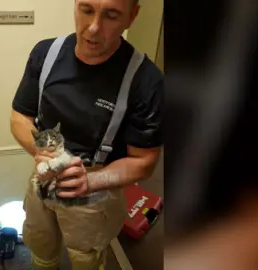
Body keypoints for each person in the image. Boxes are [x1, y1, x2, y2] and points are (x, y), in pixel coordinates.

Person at [10, 0, 163, 269]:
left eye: (111, 15)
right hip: (43, 175)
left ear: (132, 16)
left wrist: (91, 182)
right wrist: (39, 151)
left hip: (96, 184)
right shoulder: (46, 53)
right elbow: (19, 118)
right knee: (40, 243)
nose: (93, 28)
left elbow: (145, 161)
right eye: (86, 9)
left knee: (85, 257)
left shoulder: (146, 80)